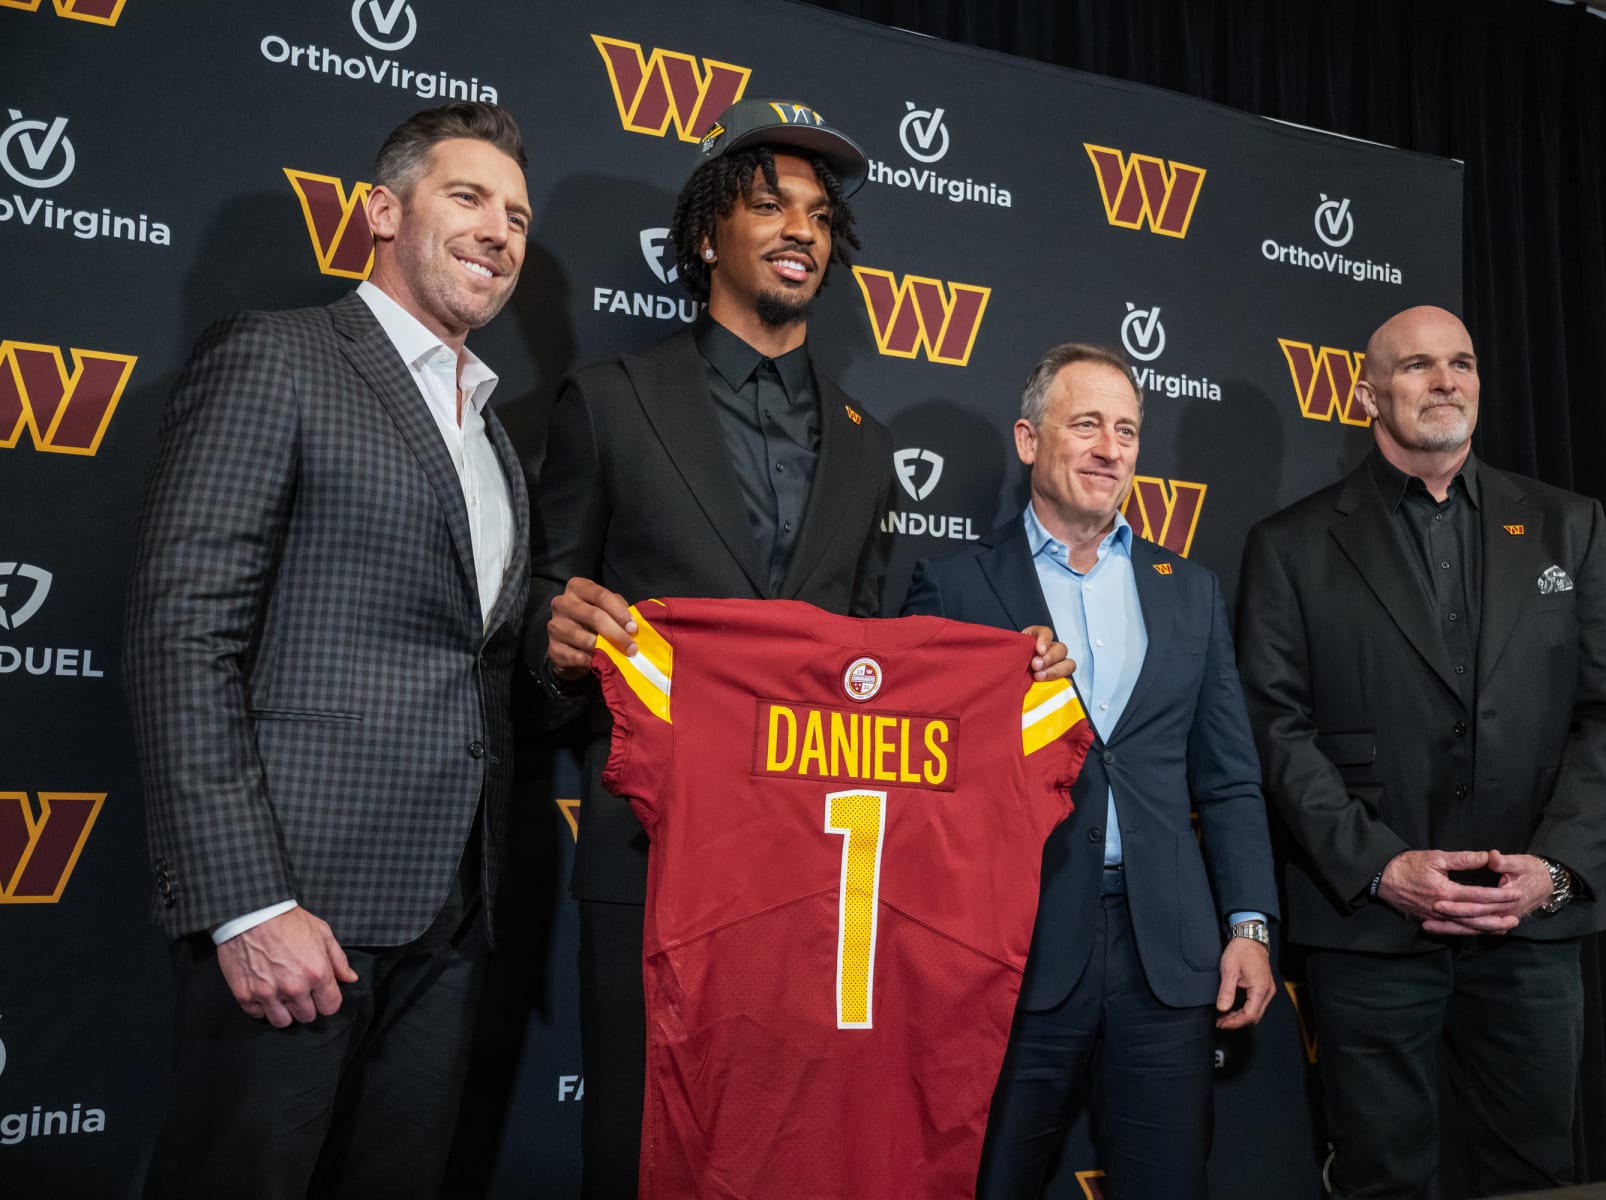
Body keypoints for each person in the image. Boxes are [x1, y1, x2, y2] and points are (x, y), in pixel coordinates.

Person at [526, 97, 1068, 1197]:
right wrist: (559, 643)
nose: (799, 231)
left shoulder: (867, 443)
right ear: (705, 234)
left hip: (820, 887)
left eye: (821, 216)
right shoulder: (610, 401)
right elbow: (546, 612)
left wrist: (1010, 687)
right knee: (643, 1155)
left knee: (808, 1156)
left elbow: (866, 671)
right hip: (652, 857)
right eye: (768, 203)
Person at [122, 101, 533, 1198]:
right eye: (468, 197)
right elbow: (182, 636)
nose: (499, 229)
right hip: (294, 911)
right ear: (381, 211)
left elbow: (462, 655)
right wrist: (247, 903)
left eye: (518, 217)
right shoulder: (279, 358)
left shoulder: (496, 435)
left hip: (452, 919)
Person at [1235, 305, 1606, 1197]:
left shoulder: (1568, 526)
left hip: (1528, 927)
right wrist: (1382, 869)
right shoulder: (1290, 546)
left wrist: (1558, 870)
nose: (1446, 381)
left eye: (1461, 362)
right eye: (1418, 365)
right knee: (1384, 1178)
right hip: (1373, 931)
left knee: (1538, 1174)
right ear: (1366, 391)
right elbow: (1277, 729)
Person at [903, 343, 1281, 1197]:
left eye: (1128, 430)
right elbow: (921, 782)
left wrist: (1250, 927)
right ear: (1030, 440)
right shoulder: (956, 588)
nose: (1111, 448)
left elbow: (1227, 779)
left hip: (1166, 961)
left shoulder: (1189, 591)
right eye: (1087, 425)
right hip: (1013, 953)